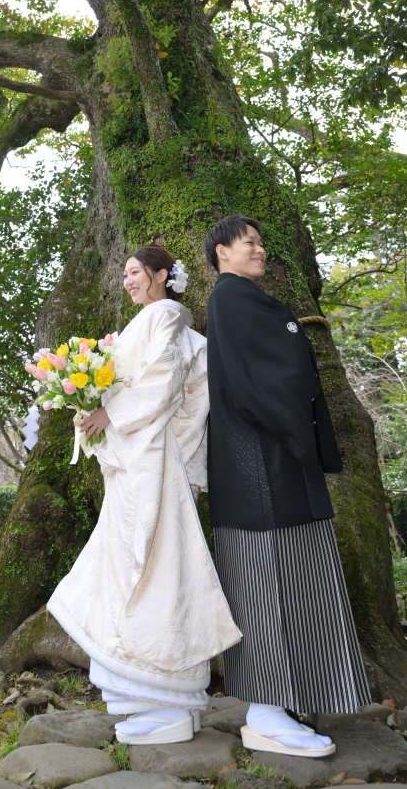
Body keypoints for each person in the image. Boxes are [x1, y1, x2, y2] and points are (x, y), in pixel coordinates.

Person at [47, 245, 241, 746]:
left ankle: (166, 692)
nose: (128, 281)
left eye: (135, 272)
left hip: (151, 461)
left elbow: (164, 380)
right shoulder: (148, 319)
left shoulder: (168, 314)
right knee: (129, 563)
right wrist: (92, 408)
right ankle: (147, 694)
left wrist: (109, 414)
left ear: (160, 275)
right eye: (125, 274)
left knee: (151, 562)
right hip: (135, 459)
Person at [204, 214, 370, 759]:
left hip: (277, 459)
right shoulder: (229, 298)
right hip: (259, 466)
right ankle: (263, 714)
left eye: (261, 242)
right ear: (221, 254)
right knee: (262, 586)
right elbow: (256, 384)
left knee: (297, 585)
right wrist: (302, 433)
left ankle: (287, 701)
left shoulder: (246, 299)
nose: (260, 250)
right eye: (248, 242)